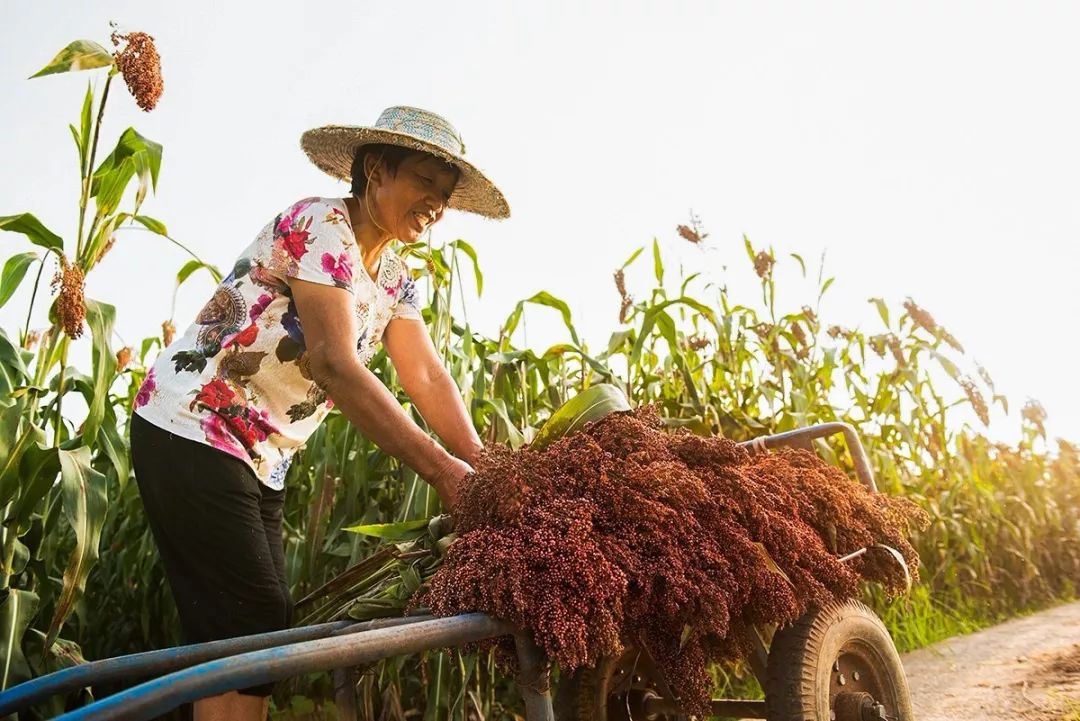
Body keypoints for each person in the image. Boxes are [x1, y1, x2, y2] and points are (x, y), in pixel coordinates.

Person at [129, 106, 509, 721]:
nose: (435, 205)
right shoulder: (323, 225)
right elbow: (334, 363)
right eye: (423, 184)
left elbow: (427, 375)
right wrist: (443, 473)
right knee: (252, 631)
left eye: (444, 196)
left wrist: (487, 467)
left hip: (259, 458)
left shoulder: (396, 279)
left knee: (249, 637)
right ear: (375, 170)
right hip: (193, 427)